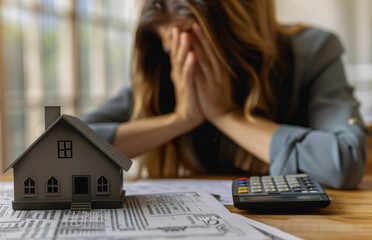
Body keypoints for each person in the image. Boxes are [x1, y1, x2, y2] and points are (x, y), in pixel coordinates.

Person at [81, 0, 369, 189]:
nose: (186, 62)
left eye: (199, 55)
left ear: (240, 43)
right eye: (175, 52)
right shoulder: (167, 71)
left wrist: (227, 115)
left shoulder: (314, 51)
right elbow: (65, 143)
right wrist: (180, 119)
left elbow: (344, 161)